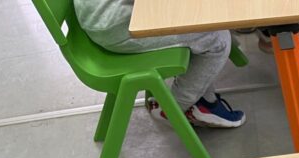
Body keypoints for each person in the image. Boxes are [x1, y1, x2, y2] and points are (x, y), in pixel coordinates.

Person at [73, 0, 246, 128]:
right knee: (217, 39)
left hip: (100, 16)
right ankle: (174, 108)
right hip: (117, 25)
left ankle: (204, 100)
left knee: (205, 18)